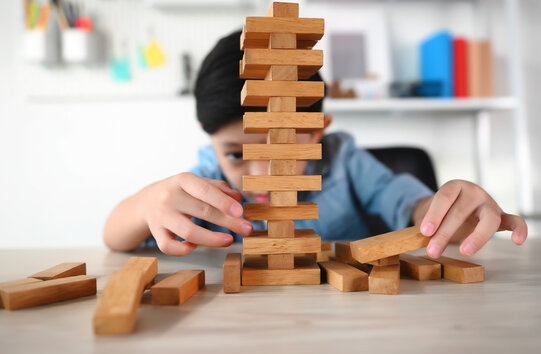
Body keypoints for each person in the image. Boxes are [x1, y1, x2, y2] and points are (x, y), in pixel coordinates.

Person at [103, 31, 527, 258]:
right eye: (236, 153)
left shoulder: (344, 162)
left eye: (281, 146)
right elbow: (115, 237)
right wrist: (145, 206)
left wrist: (447, 214)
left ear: (317, 131)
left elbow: (409, 205)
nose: (262, 173)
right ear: (209, 138)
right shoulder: (206, 180)